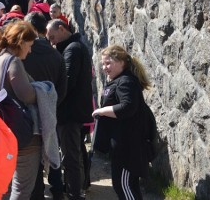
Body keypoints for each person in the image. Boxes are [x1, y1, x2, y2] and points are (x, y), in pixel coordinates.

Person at [92, 45, 153, 200]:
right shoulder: (118, 80)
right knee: (123, 185)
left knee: (124, 185)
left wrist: (101, 111)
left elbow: (127, 107)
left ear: (122, 62)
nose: (105, 68)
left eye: (108, 63)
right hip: (122, 145)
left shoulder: (126, 82)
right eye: (103, 64)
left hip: (129, 147)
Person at [0, 21, 39, 200]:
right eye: (29, 45)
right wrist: (42, 88)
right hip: (22, 132)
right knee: (22, 188)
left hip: (4, 131)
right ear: (20, 42)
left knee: (7, 187)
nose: (30, 50)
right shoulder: (13, 61)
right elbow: (27, 95)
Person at [23, 11, 68, 200]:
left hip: (27, 113)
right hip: (50, 109)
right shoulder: (56, 55)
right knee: (52, 148)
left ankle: (38, 191)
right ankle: (57, 187)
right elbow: (62, 88)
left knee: (33, 155)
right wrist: (52, 105)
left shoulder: (23, 53)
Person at [47, 19, 93, 200]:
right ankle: (77, 189)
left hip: (68, 113)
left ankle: (75, 193)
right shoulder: (73, 47)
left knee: (71, 156)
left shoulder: (72, 49)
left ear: (61, 29)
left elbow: (66, 81)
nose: (51, 41)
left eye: (52, 36)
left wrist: (52, 104)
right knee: (74, 152)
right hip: (72, 111)